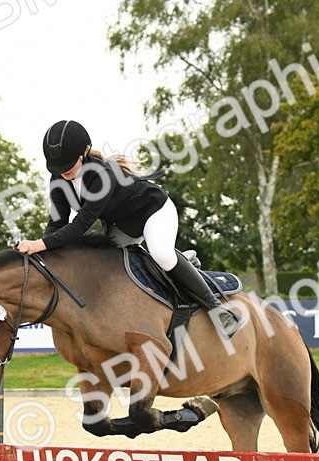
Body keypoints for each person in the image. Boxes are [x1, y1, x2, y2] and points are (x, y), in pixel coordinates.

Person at [16, 120, 243, 338]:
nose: (62, 172)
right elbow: (57, 222)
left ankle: (218, 310)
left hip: (154, 211)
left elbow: (82, 224)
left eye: (67, 165)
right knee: (110, 268)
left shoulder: (100, 174)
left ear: (83, 154)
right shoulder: (58, 180)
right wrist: (43, 255)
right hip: (122, 225)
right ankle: (183, 261)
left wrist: (40, 244)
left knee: (162, 254)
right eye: (57, 167)